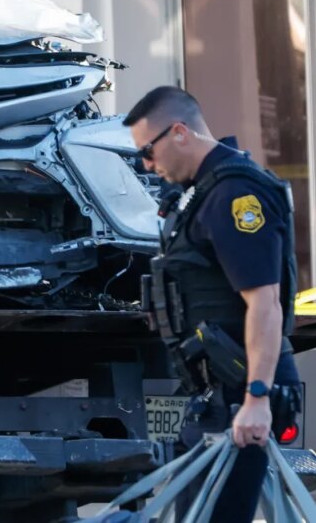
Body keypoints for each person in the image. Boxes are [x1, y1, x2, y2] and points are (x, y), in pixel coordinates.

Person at [123, 86, 300, 521]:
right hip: (215, 393)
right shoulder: (200, 195)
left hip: (242, 392)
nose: (147, 165)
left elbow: (265, 303)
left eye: (147, 151)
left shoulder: (233, 195)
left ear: (179, 132)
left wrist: (257, 398)